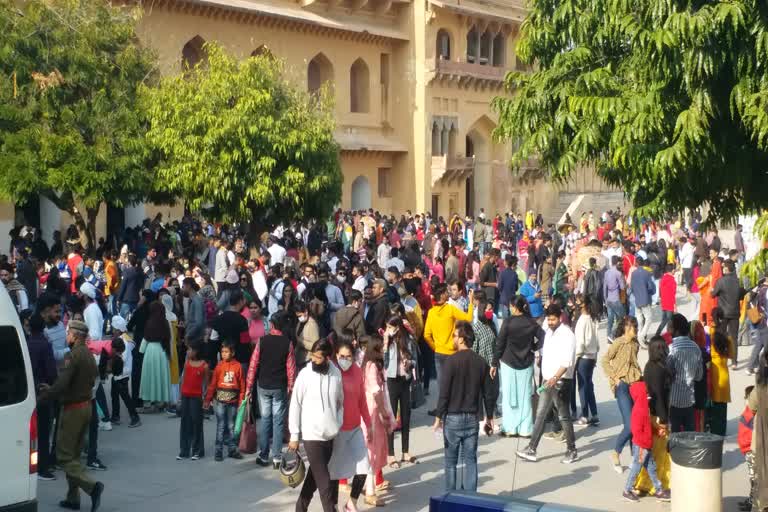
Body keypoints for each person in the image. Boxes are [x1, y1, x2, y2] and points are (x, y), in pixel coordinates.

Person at [37, 320, 105, 512]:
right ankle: (72, 498)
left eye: (68, 333)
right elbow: (93, 378)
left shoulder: (73, 355)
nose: (66, 337)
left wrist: (47, 393)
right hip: (86, 407)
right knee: (74, 455)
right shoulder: (89, 355)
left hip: (73, 409)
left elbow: (63, 383)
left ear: (75, 336)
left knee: (64, 456)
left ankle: (92, 487)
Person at [433, 321, 496, 491]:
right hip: (472, 419)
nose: (453, 339)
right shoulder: (481, 362)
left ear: (461, 339)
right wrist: (489, 417)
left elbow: (444, 393)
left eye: (454, 335)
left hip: (452, 418)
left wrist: (438, 418)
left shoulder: (451, 362)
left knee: (451, 463)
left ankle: (451, 500)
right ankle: (470, 501)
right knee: (471, 462)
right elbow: (488, 393)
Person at [516, 303, 579, 464]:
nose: (550, 322)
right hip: (547, 380)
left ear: (560, 318)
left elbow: (567, 362)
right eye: (548, 319)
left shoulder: (567, 335)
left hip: (560, 382)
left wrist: (555, 378)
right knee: (541, 414)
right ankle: (531, 448)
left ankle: (572, 449)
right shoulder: (549, 333)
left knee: (563, 416)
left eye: (553, 319)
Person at [288, 338, 344, 512]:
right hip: (312, 436)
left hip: (331, 435)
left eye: (318, 357)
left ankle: (300, 507)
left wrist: (338, 422)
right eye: (312, 356)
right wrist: (294, 435)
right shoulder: (304, 375)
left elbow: (340, 402)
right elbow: (295, 404)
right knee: (325, 484)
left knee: (315, 477)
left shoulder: (336, 373)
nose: (314, 360)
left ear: (328, 357)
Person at [245, 311, 296, 468]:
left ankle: (264, 455)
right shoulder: (288, 343)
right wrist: (291, 387)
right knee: (278, 421)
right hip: (279, 387)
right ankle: (277, 457)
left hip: (263, 386)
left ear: (272, 325)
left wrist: (248, 386)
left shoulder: (262, 341)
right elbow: (291, 369)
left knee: (266, 419)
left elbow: (253, 365)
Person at [328, 339, 373, 511]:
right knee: (334, 472)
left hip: (355, 429)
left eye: (348, 356)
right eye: (341, 356)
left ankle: (351, 502)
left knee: (363, 468)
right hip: (337, 430)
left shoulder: (356, 371)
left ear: (354, 357)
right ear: (336, 355)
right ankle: (332, 506)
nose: (345, 360)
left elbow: (361, 400)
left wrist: (369, 424)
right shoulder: (331, 371)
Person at [493, 295, 544, 437]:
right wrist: (533, 347)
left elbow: (500, 344)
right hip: (526, 362)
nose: (509, 308)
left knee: (509, 396)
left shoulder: (508, 322)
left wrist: (494, 362)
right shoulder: (531, 322)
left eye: (511, 306)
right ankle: (525, 429)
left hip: (508, 362)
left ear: (515, 307)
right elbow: (544, 336)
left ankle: (510, 428)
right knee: (525, 396)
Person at [601, 316, 642, 472]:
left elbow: (634, 363)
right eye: (633, 328)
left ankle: (634, 456)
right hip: (622, 385)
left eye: (636, 327)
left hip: (635, 384)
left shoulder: (636, 344)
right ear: (626, 328)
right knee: (630, 425)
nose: (636, 330)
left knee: (636, 423)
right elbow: (604, 360)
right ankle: (616, 453)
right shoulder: (618, 342)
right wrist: (615, 378)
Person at [423, 283, 474, 408]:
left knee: (442, 384)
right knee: (455, 381)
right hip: (452, 352)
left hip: (438, 353)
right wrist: (471, 302)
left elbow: (426, 335)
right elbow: (469, 318)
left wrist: (435, 347)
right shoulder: (450, 309)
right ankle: (455, 407)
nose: (449, 293)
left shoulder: (431, 312)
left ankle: (442, 410)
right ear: (442, 295)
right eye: (446, 291)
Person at [622, 378, 671, 502]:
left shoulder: (643, 408)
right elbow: (637, 431)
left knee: (651, 467)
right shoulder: (640, 410)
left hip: (645, 446)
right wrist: (645, 445)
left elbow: (647, 426)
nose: (649, 395)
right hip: (642, 446)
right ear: (642, 395)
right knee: (636, 467)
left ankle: (658, 489)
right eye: (646, 393)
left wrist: (655, 431)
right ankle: (627, 490)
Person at [635, 336, 672, 495]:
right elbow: (658, 396)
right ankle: (653, 485)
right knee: (658, 454)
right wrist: (663, 420)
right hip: (658, 415)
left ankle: (648, 483)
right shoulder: (658, 369)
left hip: (652, 414)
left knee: (654, 453)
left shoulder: (650, 366)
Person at [361, 336, 396, 502]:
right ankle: (370, 491)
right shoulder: (372, 366)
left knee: (373, 450)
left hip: (370, 411)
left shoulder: (367, 364)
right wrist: (384, 413)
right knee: (372, 452)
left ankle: (371, 485)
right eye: (381, 348)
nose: (383, 350)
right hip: (373, 413)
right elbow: (376, 392)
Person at [25, 312, 57, 481]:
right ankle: (43, 467)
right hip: (43, 392)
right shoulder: (45, 345)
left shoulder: (27, 343)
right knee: (44, 432)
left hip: (29, 391)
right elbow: (51, 371)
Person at [383, 315, 418, 468]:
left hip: (405, 380)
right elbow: (383, 363)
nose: (388, 330)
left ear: (398, 327)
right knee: (391, 419)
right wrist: (385, 344)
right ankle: (390, 453)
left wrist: (409, 363)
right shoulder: (386, 341)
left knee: (406, 416)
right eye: (387, 327)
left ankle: (405, 451)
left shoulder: (408, 339)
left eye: (391, 327)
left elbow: (416, 360)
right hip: (391, 380)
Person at [204, 342, 245, 461]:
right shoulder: (219, 366)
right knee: (221, 426)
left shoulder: (238, 366)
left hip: (233, 401)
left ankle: (232, 449)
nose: (224, 354)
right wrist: (208, 399)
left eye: (226, 352)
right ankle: (218, 451)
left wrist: (241, 400)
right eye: (222, 352)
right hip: (220, 401)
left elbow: (242, 384)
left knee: (231, 426)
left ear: (233, 353)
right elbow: (213, 384)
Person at [667, 313, 703, 432]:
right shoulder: (696, 348)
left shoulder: (671, 348)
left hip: (673, 401)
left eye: (670, 326)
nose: (667, 329)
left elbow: (667, 376)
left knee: (674, 438)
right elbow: (698, 376)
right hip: (689, 401)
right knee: (689, 438)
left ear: (675, 330)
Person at [109, 317, 141, 428]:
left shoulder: (123, 342)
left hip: (121, 373)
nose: (112, 330)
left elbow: (122, 357)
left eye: (113, 328)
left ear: (118, 329)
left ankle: (135, 417)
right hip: (120, 373)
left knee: (125, 397)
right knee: (115, 395)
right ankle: (115, 416)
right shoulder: (124, 339)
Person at [139, 302, 172, 411]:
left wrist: (141, 350)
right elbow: (168, 339)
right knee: (160, 376)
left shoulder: (150, 322)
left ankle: (147, 402)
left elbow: (146, 338)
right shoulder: (165, 323)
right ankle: (161, 401)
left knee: (149, 376)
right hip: (162, 351)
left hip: (151, 351)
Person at [574, 295, 600, 426]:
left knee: (583, 386)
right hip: (592, 356)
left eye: (579, 301)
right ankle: (594, 413)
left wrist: (575, 358)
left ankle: (584, 415)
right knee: (589, 385)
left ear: (583, 305)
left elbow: (580, 343)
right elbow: (597, 340)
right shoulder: (593, 319)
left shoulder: (582, 320)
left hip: (583, 357)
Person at [711, 260, 743, 369]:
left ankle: (723, 358)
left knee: (722, 335)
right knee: (734, 337)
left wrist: (712, 290)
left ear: (726, 269)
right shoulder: (738, 281)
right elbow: (741, 296)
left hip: (723, 313)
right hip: (735, 312)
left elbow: (713, 294)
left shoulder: (721, 281)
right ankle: (734, 362)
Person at [708, 307, 735, 436]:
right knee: (723, 404)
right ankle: (722, 430)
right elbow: (731, 355)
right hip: (724, 371)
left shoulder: (711, 333)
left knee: (714, 402)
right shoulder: (727, 335)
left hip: (713, 370)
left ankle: (714, 429)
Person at [738, 385, 757, 511]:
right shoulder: (748, 411)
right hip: (747, 450)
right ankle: (751, 500)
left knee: (754, 478)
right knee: (753, 478)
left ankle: (752, 502)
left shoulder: (753, 414)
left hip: (751, 450)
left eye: (747, 397)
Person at [630, 257, 656, 346]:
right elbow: (651, 287)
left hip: (637, 299)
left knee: (639, 319)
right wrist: (651, 292)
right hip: (645, 298)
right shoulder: (647, 273)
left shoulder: (633, 273)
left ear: (636, 263)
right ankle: (642, 335)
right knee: (649, 318)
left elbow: (632, 287)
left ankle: (639, 335)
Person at [603, 256, 626, 341]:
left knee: (610, 319)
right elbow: (622, 287)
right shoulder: (618, 273)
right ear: (617, 263)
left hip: (609, 298)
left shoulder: (607, 272)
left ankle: (608, 336)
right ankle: (612, 334)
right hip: (616, 298)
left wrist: (605, 299)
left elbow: (604, 287)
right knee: (621, 318)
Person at [656, 263, 677, 336]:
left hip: (664, 302)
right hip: (670, 303)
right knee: (668, 321)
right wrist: (675, 305)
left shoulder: (663, 279)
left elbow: (660, 291)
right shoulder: (672, 280)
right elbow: (673, 294)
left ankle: (659, 333)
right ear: (672, 270)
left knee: (664, 320)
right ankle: (659, 334)